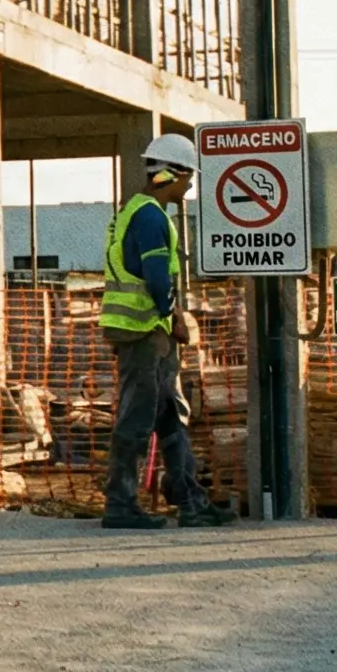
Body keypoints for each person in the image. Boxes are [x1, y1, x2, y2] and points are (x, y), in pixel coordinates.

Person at [96, 135, 231, 530]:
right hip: (144, 333)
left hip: (147, 334)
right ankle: (120, 505)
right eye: (188, 177)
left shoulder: (133, 211)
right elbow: (157, 279)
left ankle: (191, 501)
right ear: (172, 173)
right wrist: (174, 317)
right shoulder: (151, 217)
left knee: (169, 418)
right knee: (137, 419)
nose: (189, 186)